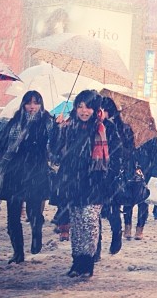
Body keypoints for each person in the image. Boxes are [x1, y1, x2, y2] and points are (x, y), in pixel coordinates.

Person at [50, 90, 121, 279]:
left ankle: (87, 263)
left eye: (88, 107)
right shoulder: (68, 127)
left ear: (96, 109)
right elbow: (56, 152)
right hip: (73, 182)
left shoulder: (105, 128)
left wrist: (105, 177)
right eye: (80, 106)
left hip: (96, 183)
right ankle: (76, 261)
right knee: (77, 223)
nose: (84, 111)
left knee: (89, 222)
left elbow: (116, 156)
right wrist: (56, 129)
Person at [0, 90, 54, 263]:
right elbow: (4, 142)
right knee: (13, 215)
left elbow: (54, 146)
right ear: (23, 104)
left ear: (41, 105)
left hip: (36, 171)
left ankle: (37, 233)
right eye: (29, 103)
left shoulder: (47, 122)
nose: (32, 107)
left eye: (36, 103)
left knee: (34, 211)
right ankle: (18, 252)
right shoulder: (15, 122)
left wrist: (59, 129)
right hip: (15, 172)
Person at [98, 96, 133, 256]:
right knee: (93, 213)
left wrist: (114, 161)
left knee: (112, 209)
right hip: (96, 174)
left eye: (102, 110)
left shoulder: (120, 128)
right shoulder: (93, 126)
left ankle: (116, 233)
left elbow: (128, 151)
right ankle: (95, 245)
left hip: (113, 174)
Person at [127, 135, 157, 238]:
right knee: (128, 200)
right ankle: (127, 226)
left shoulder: (152, 138)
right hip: (130, 172)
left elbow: (155, 158)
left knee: (143, 202)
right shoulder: (129, 135)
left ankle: (140, 228)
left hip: (146, 173)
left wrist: (155, 174)